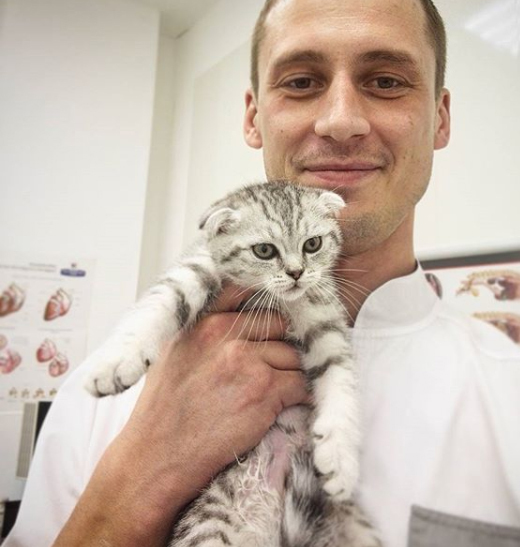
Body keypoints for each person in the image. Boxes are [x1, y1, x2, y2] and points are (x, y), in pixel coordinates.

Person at [5, 0, 520, 546]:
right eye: (301, 81)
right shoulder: (100, 399)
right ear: (253, 117)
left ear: (440, 118)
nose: (340, 121)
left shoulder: (507, 395)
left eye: (386, 81)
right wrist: (133, 484)